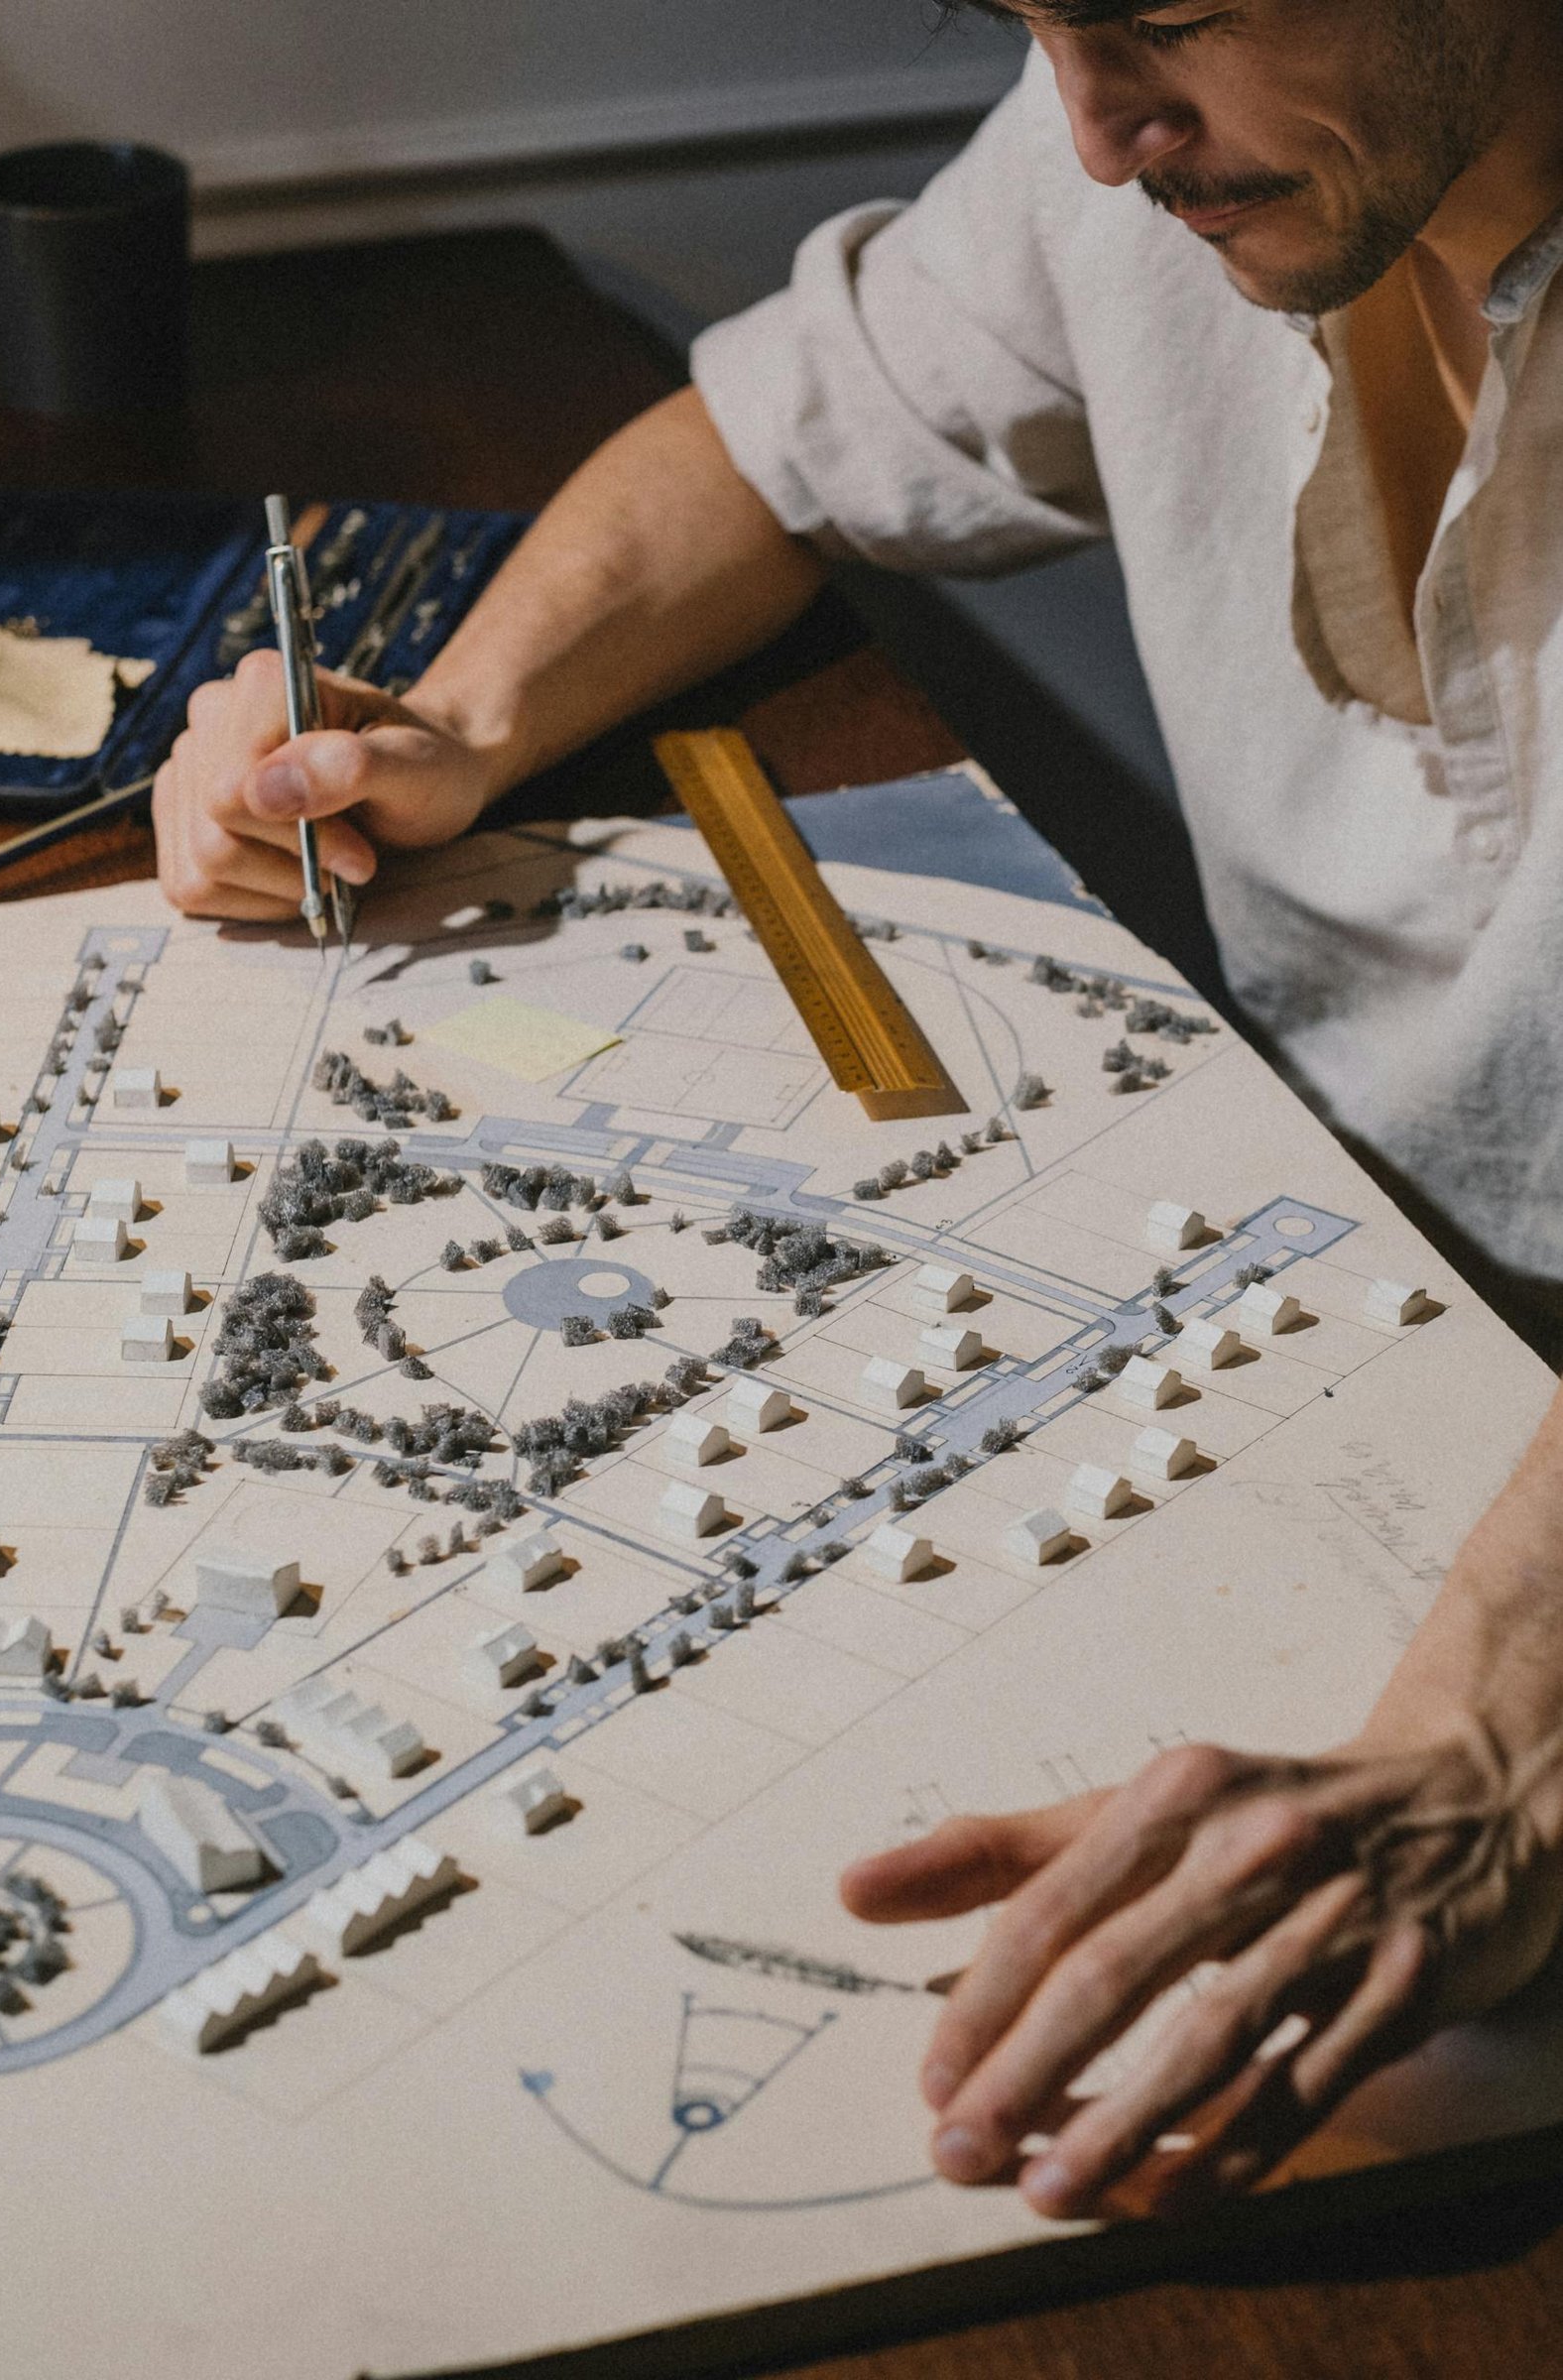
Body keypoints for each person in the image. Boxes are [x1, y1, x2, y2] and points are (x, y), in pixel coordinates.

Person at [154, 0, 1563, 2222]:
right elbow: (776, 439)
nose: (1094, 132)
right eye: (1030, 22)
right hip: (1363, 1232)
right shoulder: (1181, 141)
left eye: (1161, 13)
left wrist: (1493, 1742)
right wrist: (445, 726)